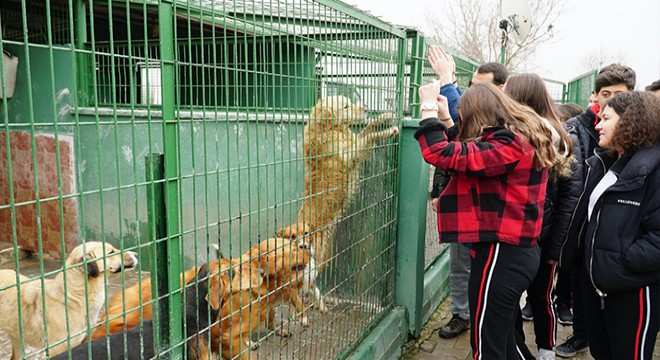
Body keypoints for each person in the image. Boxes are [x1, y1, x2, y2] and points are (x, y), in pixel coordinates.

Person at [415, 80, 555, 359]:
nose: (462, 122)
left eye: (464, 116)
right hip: (511, 251)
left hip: (504, 254)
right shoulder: (515, 139)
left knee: (486, 346)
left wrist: (428, 108)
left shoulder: (510, 145)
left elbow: (442, 153)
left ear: (478, 115)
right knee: (505, 341)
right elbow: (474, 154)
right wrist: (445, 117)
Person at [564, 91, 660, 359]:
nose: (598, 125)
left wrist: (621, 262)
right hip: (598, 287)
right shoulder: (608, 162)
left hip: (632, 291)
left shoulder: (654, 168)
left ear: (630, 121)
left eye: (606, 118)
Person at [427, 45, 509, 339]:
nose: (472, 94)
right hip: (462, 205)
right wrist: (440, 190)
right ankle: (463, 314)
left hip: (490, 218)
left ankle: (482, 318)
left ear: (501, 89)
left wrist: (447, 82)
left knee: (486, 275)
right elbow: (458, 144)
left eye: (480, 88)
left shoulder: (505, 126)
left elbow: (458, 146)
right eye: (470, 86)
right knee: (460, 265)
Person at [555, 63, 636, 358]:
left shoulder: (638, 148)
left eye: (619, 93)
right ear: (595, 95)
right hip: (578, 221)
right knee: (577, 281)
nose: (610, 99)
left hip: (613, 238)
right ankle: (580, 334)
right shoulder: (574, 128)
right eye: (605, 93)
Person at [505, 73, 575, 360]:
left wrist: (556, 247)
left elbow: (568, 199)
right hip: (522, 233)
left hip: (543, 238)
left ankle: (546, 350)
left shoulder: (554, 138)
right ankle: (519, 347)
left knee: (540, 296)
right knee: (512, 299)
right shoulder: (511, 133)